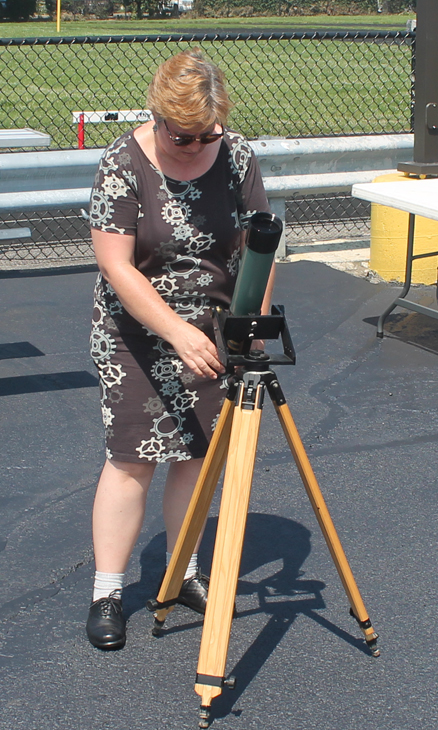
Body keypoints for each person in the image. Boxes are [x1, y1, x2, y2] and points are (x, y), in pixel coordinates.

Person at [86, 47, 274, 650]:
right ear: (158, 116)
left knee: (196, 456)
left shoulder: (237, 154)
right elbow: (118, 267)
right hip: (137, 332)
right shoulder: (122, 163)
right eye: (183, 136)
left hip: (212, 332)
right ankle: (108, 591)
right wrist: (175, 330)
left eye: (205, 135)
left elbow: (258, 248)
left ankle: (182, 571)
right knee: (132, 459)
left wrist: (251, 326)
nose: (195, 146)